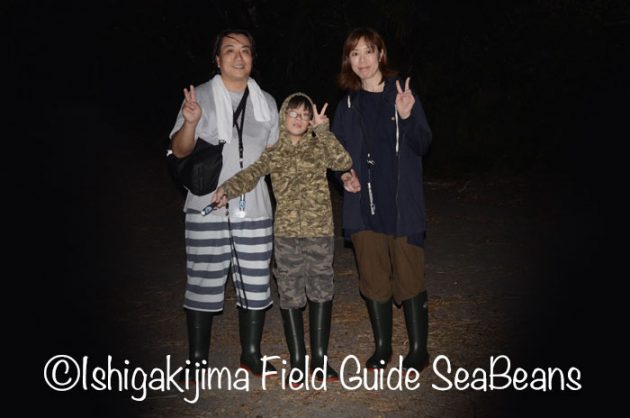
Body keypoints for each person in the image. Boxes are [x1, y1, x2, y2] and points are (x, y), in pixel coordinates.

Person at [212, 93, 352, 384]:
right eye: (293, 113)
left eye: (305, 115)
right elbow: (251, 174)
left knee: (321, 290)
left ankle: (320, 360)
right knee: (290, 293)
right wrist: (227, 189)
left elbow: (343, 161)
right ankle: (298, 360)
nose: (299, 119)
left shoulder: (319, 146)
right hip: (287, 235)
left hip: (319, 232)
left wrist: (324, 131)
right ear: (283, 117)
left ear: (310, 120)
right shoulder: (274, 152)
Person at [169, 29, 279, 377]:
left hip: (255, 208)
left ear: (252, 59)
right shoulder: (199, 96)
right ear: (217, 60)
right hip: (207, 207)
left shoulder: (267, 102)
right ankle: (197, 360)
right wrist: (190, 123)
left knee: (256, 281)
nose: (238, 56)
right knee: (203, 280)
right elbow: (180, 151)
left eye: (245, 50)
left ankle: (251, 354)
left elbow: (274, 157)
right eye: (229, 50)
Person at [332, 27, 433, 373]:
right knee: (373, 278)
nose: (362, 60)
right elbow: (336, 155)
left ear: (380, 54)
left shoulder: (402, 93)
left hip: (402, 204)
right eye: (354, 53)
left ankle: (418, 349)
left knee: (410, 275)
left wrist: (407, 116)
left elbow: (423, 143)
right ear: (348, 60)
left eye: (368, 51)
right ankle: (382, 347)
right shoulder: (347, 105)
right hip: (363, 205)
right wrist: (343, 175)